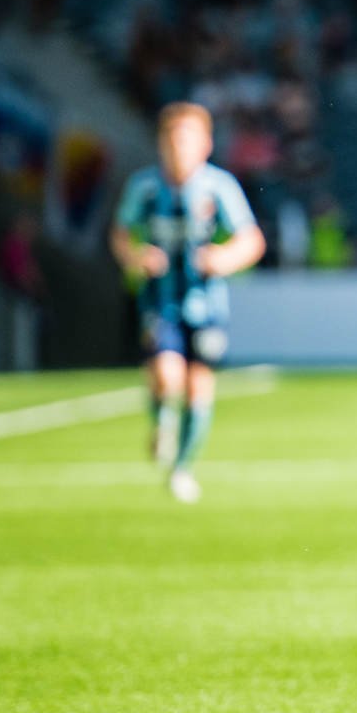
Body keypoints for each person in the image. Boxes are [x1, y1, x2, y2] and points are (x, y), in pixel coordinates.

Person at [111, 103, 265, 504]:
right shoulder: (145, 188)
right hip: (160, 302)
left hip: (207, 306)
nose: (179, 147)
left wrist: (224, 258)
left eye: (187, 138)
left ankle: (182, 469)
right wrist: (136, 256)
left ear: (205, 144)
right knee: (167, 376)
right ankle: (162, 420)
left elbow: (251, 240)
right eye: (172, 139)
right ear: (162, 144)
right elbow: (121, 234)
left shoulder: (218, 187)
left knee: (198, 387)